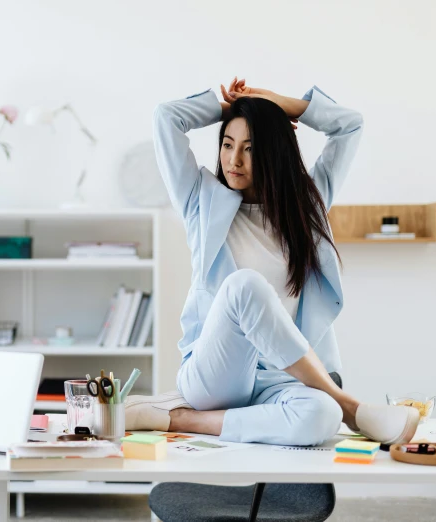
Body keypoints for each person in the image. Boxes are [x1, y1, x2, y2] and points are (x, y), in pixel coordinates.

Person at [125, 78, 419, 446]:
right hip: (216, 378)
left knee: (320, 417)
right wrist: (238, 107)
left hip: (280, 381)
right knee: (245, 285)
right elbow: (166, 117)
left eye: (250, 148)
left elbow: (350, 125)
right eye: (228, 145)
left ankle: (180, 418)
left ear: (273, 152)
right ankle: (349, 406)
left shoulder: (306, 208)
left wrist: (279, 106)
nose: (234, 160)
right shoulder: (200, 202)